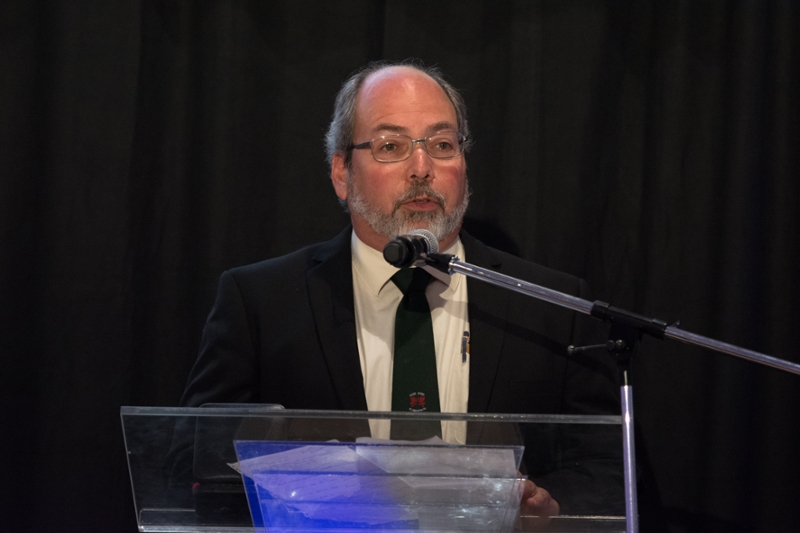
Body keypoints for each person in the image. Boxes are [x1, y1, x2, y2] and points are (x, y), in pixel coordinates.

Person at [180, 61, 620, 517]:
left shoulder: (552, 304)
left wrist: (547, 509)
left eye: (442, 145)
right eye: (392, 145)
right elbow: (195, 463)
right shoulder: (260, 302)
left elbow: (609, 469)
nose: (422, 168)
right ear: (341, 173)